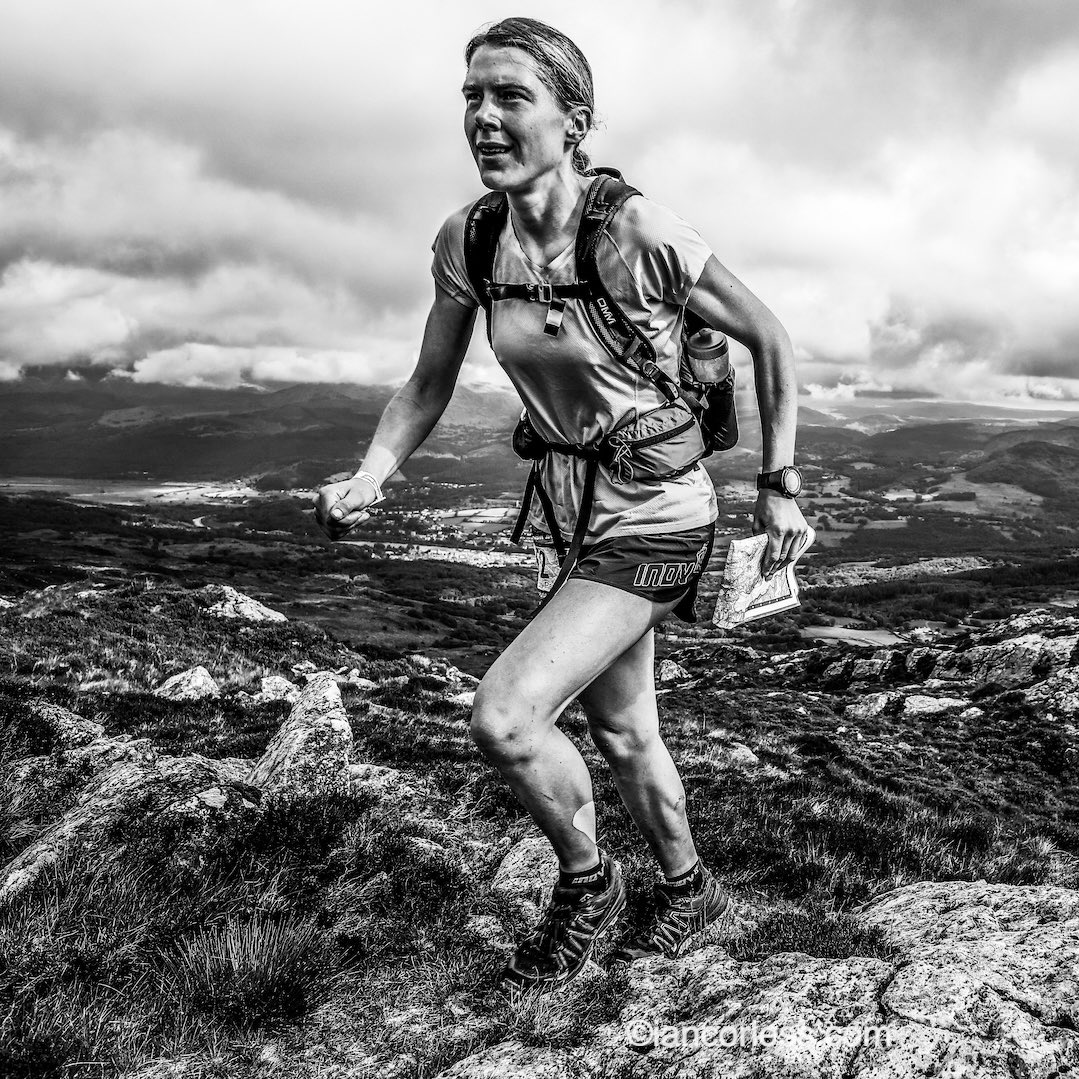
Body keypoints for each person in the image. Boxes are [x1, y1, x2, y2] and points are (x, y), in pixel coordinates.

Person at [315, 16, 809, 994]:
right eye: (470, 97)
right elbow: (426, 383)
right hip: (565, 508)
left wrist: (778, 484)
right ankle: (686, 887)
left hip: (660, 509)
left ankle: (587, 886)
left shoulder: (637, 233)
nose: (483, 117)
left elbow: (770, 336)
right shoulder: (472, 239)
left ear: (573, 121)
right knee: (625, 730)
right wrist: (373, 470)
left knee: (504, 715)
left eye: (509, 96)